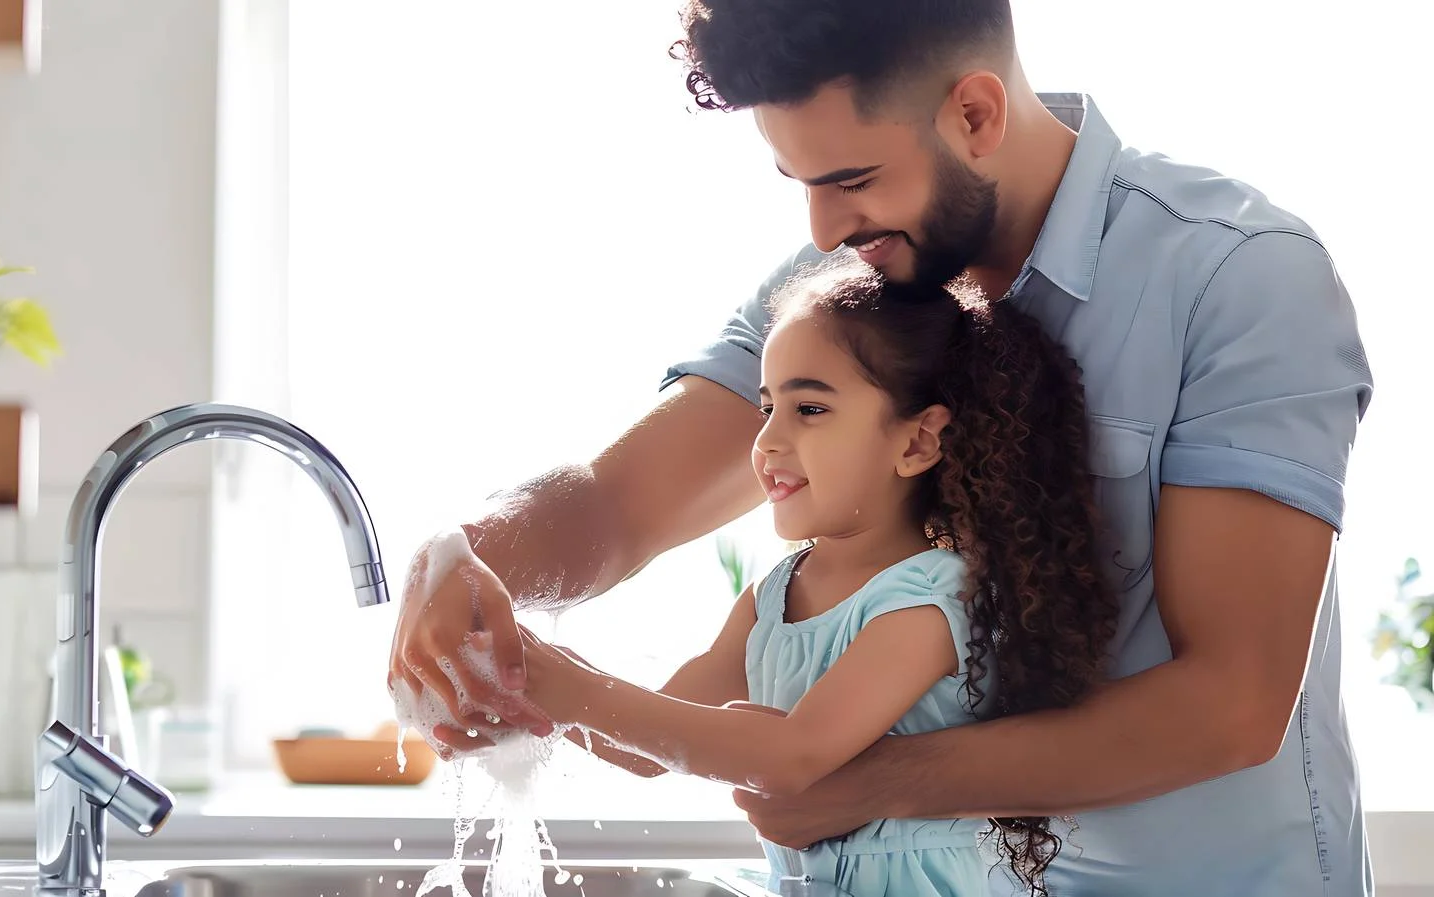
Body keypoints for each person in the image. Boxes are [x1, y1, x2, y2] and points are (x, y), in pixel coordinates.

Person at [389, 1, 1375, 894]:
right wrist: (464, 558)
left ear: (976, 115)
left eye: (851, 178)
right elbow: (617, 503)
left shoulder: (1238, 279)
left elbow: (1231, 704)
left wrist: (868, 783)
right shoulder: (850, 285)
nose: (823, 225)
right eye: (800, 182)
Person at [513, 256, 1118, 897]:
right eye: (768, 407)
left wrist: (572, 687)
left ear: (916, 443)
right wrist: (522, 697)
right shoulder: (771, 599)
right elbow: (645, 746)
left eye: (809, 409)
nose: (767, 441)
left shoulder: (929, 602)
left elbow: (789, 757)